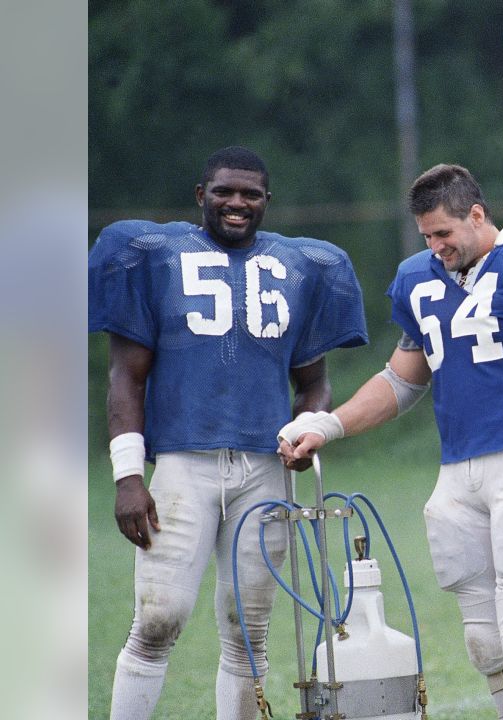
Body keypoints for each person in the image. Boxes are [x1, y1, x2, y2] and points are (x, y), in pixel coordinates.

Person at [277, 163, 503, 720]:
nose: (436, 247)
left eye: (445, 233)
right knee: (485, 644)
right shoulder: (421, 278)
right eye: (427, 236)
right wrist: (329, 424)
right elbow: (402, 378)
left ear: (478, 215)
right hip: (458, 471)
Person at [90, 146, 369, 720]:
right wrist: (127, 475)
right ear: (202, 196)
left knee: (250, 632)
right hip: (182, 463)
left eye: (250, 194)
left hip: (264, 469)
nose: (236, 203)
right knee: (158, 619)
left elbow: (313, 384)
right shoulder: (155, 256)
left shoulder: (299, 265)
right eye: (223, 191)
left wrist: (308, 426)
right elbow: (126, 378)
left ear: (267, 201)